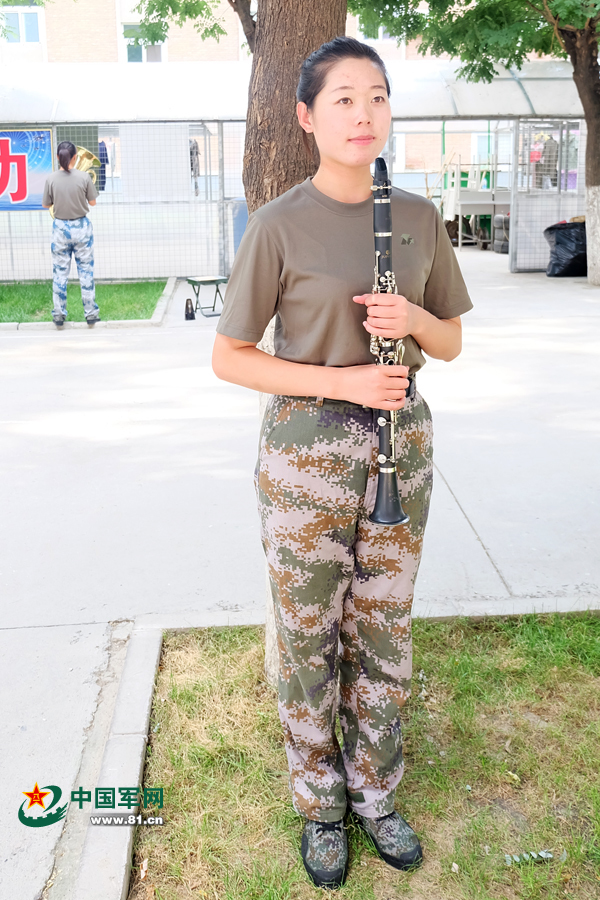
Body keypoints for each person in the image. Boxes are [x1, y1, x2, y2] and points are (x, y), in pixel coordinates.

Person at [212, 37, 473, 890]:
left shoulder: (422, 219)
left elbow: (453, 341)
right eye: (344, 100)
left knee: (384, 629)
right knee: (308, 637)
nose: (364, 115)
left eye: (378, 97)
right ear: (307, 117)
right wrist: (342, 376)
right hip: (306, 457)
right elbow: (232, 356)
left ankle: (375, 794)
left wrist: (413, 318)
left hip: (403, 446)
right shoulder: (279, 223)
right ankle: (321, 804)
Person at [42, 141, 100, 326]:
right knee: (86, 272)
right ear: (75, 157)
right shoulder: (84, 177)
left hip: (60, 228)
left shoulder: (51, 178)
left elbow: (46, 205)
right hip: (81, 228)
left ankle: (59, 315)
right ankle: (90, 314)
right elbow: (92, 203)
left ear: (58, 157)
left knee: (60, 273)